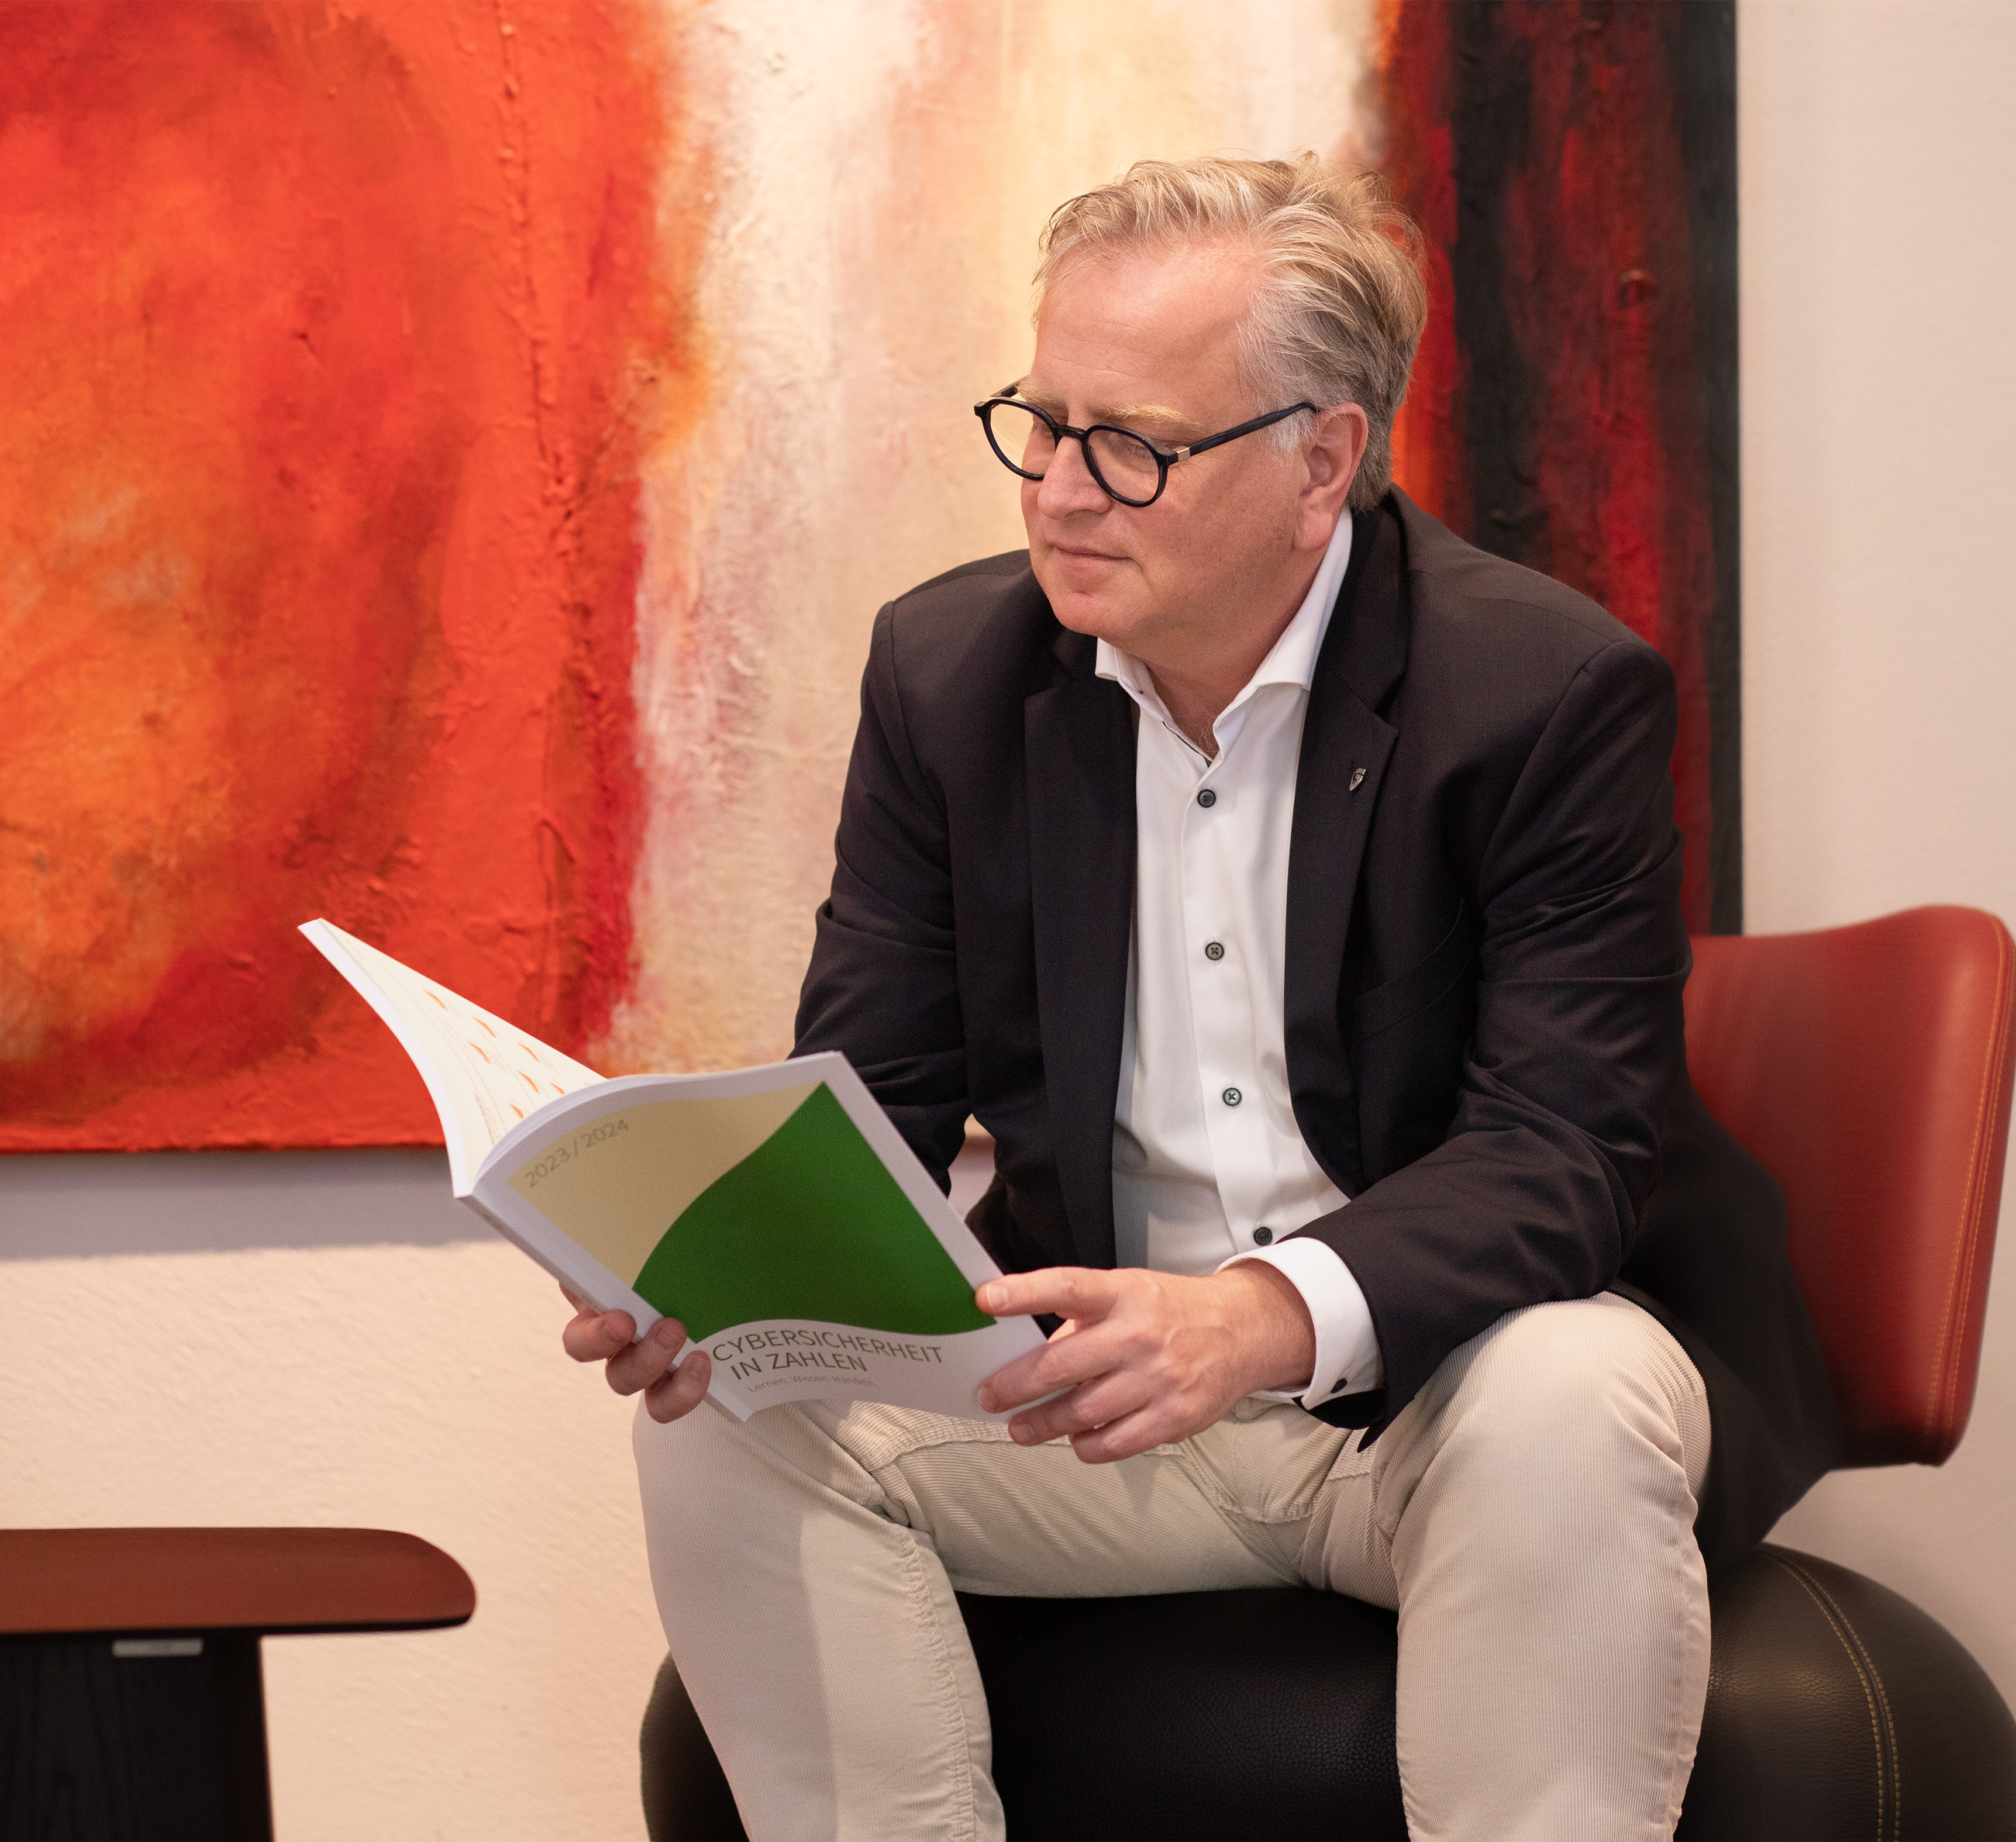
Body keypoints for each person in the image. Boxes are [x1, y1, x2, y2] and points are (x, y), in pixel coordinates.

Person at [565, 153, 1841, 1841]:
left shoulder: (1541, 693)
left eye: (1133, 445)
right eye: (1042, 423)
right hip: (1105, 1417)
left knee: (1571, 1390)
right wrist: (723, 1284)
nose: (1059, 492)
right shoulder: (949, 678)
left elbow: (1565, 1149)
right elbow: (867, 1100)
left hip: (1441, 1401)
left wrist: (1254, 1316)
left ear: (1320, 463)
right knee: (724, 1419)